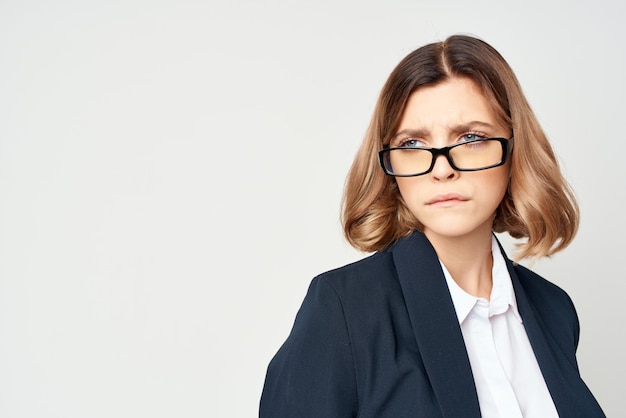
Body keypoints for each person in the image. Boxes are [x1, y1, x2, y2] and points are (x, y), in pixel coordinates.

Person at [259, 34, 605, 417]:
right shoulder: (344, 309)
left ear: (515, 149)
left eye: (471, 138)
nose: (442, 168)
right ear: (390, 164)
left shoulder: (553, 309)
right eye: (411, 144)